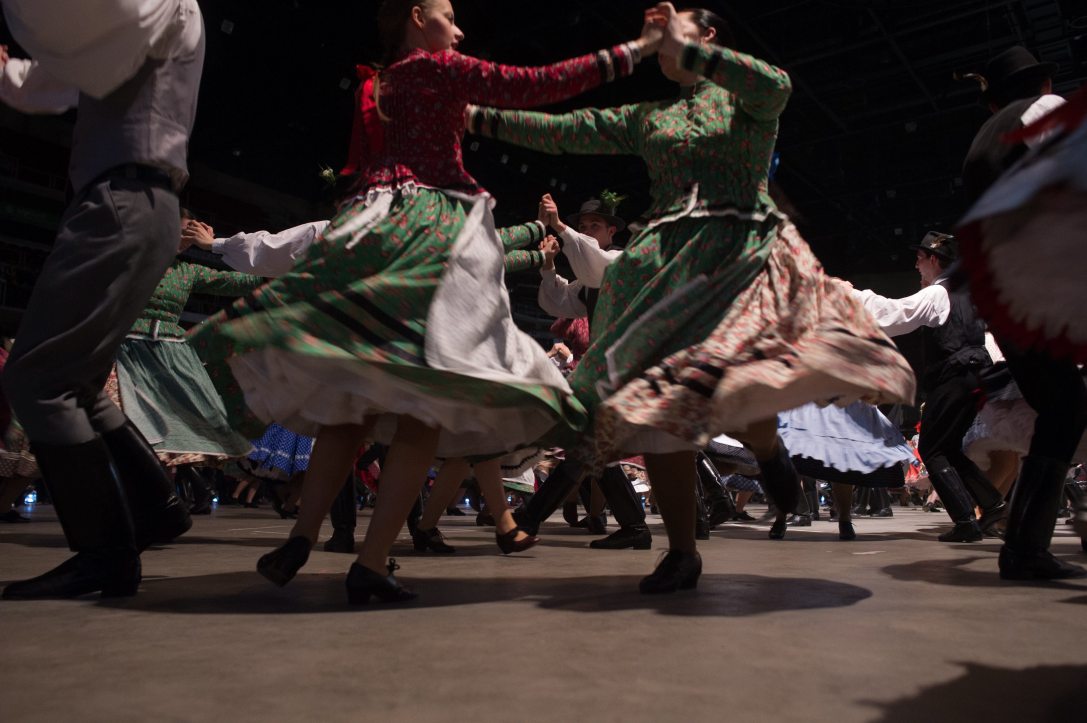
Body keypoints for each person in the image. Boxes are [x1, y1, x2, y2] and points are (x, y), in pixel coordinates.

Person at [189, 0, 662, 604]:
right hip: (432, 229)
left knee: (351, 401)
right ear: (418, 17)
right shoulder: (433, 68)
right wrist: (636, 50)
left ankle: (301, 538)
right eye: (449, 14)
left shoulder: (376, 85)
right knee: (423, 408)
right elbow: (539, 83)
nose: (460, 28)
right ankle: (371, 559)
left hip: (367, 222)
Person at [470, 4, 915, 593]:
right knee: (658, 411)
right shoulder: (651, 116)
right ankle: (682, 551)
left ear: (708, 38)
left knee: (743, 380)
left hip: (740, 257)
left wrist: (691, 47)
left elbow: (776, 83)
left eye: (685, 36)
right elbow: (566, 131)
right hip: (666, 269)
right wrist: (476, 118)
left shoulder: (747, 101)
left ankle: (767, 447)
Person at [0, 0, 205, 600]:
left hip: (122, 198)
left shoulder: (160, 6)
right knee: (79, 382)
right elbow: (59, 82)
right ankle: (157, 508)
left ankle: (106, 556)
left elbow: (74, 51)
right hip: (138, 202)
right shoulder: (141, 25)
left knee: (38, 378)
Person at [956, 45, 1087, 579]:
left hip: (1005, 297)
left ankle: (1025, 546)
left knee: (1063, 408)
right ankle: (1025, 546)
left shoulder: (980, 143)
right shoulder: (1043, 110)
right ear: (1045, 82)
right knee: (1066, 408)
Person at [854, 232, 1006, 543]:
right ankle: (993, 506)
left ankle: (966, 520)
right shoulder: (969, 293)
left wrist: (851, 295)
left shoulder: (940, 293)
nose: (916, 265)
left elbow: (893, 314)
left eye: (920, 259)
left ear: (934, 260)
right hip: (976, 375)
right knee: (948, 447)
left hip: (955, 375)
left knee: (932, 449)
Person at [529, 193, 653, 551]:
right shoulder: (589, 279)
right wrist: (549, 265)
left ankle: (527, 520)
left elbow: (593, 264)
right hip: (607, 372)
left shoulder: (618, 260)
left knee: (590, 447)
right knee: (590, 448)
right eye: (583, 226)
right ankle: (634, 526)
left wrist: (560, 228)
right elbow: (557, 301)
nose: (585, 231)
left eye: (594, 225)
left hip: (626, 367)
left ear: (612, 231)